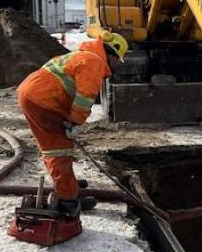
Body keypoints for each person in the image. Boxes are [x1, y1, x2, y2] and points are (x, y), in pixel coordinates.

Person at [18, 31, 128, 216]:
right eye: (117, 59)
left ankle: (70, 187)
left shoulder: (84, 56)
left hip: (39, 96)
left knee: (62, 148)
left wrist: (71, 121)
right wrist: (75, 123)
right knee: (58, 151)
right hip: (43, 101)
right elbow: (84, 98)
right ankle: (67, 201)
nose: (117, 64)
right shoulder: (94, 62)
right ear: (111, 53)